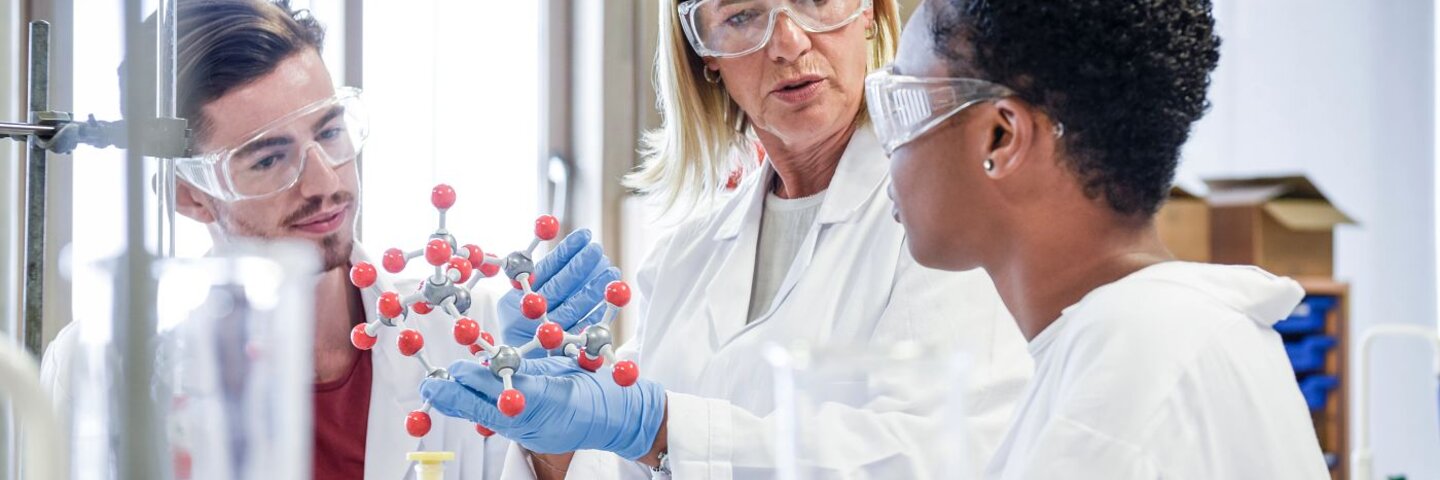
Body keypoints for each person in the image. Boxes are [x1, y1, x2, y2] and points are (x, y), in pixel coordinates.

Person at [421, 0, 1031, 478]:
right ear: (704, 52)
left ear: (869, 10)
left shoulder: (952, 217)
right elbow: (622, 466)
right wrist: (550, 436)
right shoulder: (687, 257)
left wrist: (663, 429)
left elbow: (942, 455)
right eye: (742, 16)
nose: (790, 44)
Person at [39, 1, 616, 479]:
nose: (326, 182)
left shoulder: (468, 338)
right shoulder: (106, 367)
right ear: (189, 195)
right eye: (269, 158)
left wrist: (553, 444)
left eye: (330, 132)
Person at [867, 0, 1329, 477]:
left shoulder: (1132, 358)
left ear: (1000, 137)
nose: (886, 150)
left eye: (902, 105)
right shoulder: (1149, 333)